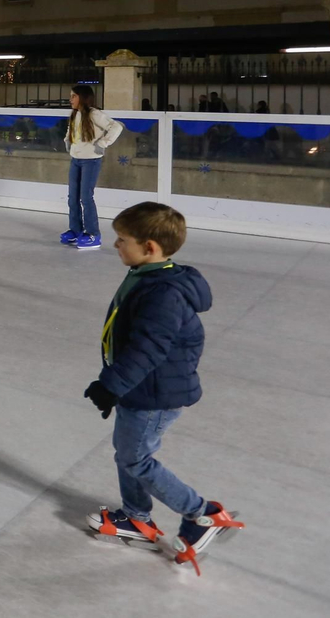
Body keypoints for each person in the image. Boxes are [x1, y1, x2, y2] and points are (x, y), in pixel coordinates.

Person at [83, 202, 242, 573]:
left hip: (154, 392)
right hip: (141, 387)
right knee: (127, 452)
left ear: (150, 247)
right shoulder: (151, 274)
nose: (116, 246)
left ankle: (202, 515)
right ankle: (137, 517)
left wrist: (111, 384)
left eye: (123, 240)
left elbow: (148, 348)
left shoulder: (163, 293)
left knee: (135, 457)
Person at [61, 85, 123, 251]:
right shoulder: (74, 114)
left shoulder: (95, 114)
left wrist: (103, 143)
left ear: (82, 97)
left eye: (73, 96)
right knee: (72, 197)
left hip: (91, 161)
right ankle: (75, 230)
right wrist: (67, 140)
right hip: (76, 160)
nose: (71, 99)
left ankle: (93, 234)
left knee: (86, 197)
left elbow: (116, 127)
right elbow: (71, 130)